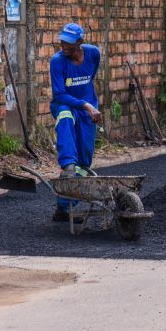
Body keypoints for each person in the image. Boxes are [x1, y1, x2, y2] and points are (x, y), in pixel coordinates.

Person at [50, 23, 102, 222]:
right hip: (65, 105)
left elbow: (90, 78)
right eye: (62, 41)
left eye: (69, 43)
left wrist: (89, 107)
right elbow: (60, 95)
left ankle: (63, 208)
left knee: (84, 161)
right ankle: (68, 163)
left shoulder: (93, 54)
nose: (64, 45)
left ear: (80, 42)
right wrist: (86, 105)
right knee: (65, 116)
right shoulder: (57, 62)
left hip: (88, 109)